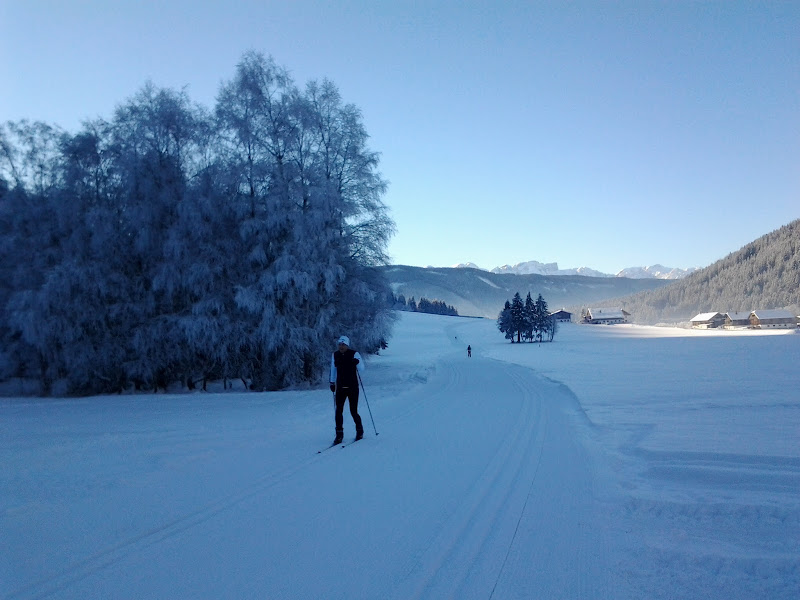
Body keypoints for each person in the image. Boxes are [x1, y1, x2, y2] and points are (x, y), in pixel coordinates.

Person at [330, 335, 364, 444]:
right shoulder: (335, 355)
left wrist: (356, 363)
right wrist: (332, 382)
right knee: (338, 411)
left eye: (343, 344)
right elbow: (333, 369)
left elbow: (362, 369)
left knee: (353, 411)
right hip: (340, 387)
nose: (341, 346)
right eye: (340, 344)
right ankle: (339, 434)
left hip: (353, 387)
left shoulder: (354, 354)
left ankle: (359, 431)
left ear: (347, 345)